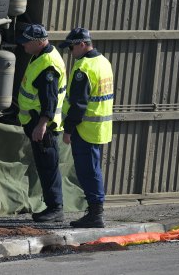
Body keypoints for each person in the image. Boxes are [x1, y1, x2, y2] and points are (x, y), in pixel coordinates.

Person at [59, 27, 113, 228]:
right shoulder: (103, 62)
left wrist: (68, 130)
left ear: (82, 44)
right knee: (93, 170)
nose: (70, 52)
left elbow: (79, 104)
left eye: (72, 48)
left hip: (85, 129)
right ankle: (95, 212)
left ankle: (95, 214)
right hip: (100, 128)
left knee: (88, 171)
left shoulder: (84, 68)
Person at [16, 24, 67, 222]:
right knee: (45, 165)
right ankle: (53, 207)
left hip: (43, 125)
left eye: (26, 42)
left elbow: (50, 100)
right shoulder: (40, 55)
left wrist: (41, 125)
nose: (23, 46)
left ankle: (56, 208)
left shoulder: (48, 65)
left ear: (39, 42)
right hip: (36, 122)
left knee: (48, 166)